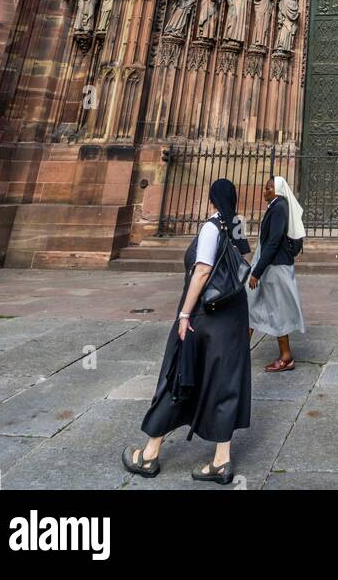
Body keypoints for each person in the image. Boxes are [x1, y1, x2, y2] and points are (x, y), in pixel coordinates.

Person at [121, 178, 252, 485]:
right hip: (233, 315)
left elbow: (203, 271)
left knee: (181, 376)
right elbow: (240, 265)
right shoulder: (237, 225)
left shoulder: (211, 227)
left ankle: (150, 454)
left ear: (211, 200)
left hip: (205, 316)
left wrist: (184, 314)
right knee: (225, 382)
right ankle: (221, 461)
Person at [248, 175, 306, 371]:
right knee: (251, 305)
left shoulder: (279, 208)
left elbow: (273, 243)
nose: (265, 190)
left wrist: (256, 271)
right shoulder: (276, 206)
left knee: (276, 310)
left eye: (269, 188)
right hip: (270, 266)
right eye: (265, 187)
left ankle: (286, 357)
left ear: (279, 190)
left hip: (274, 268)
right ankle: (238, 351)